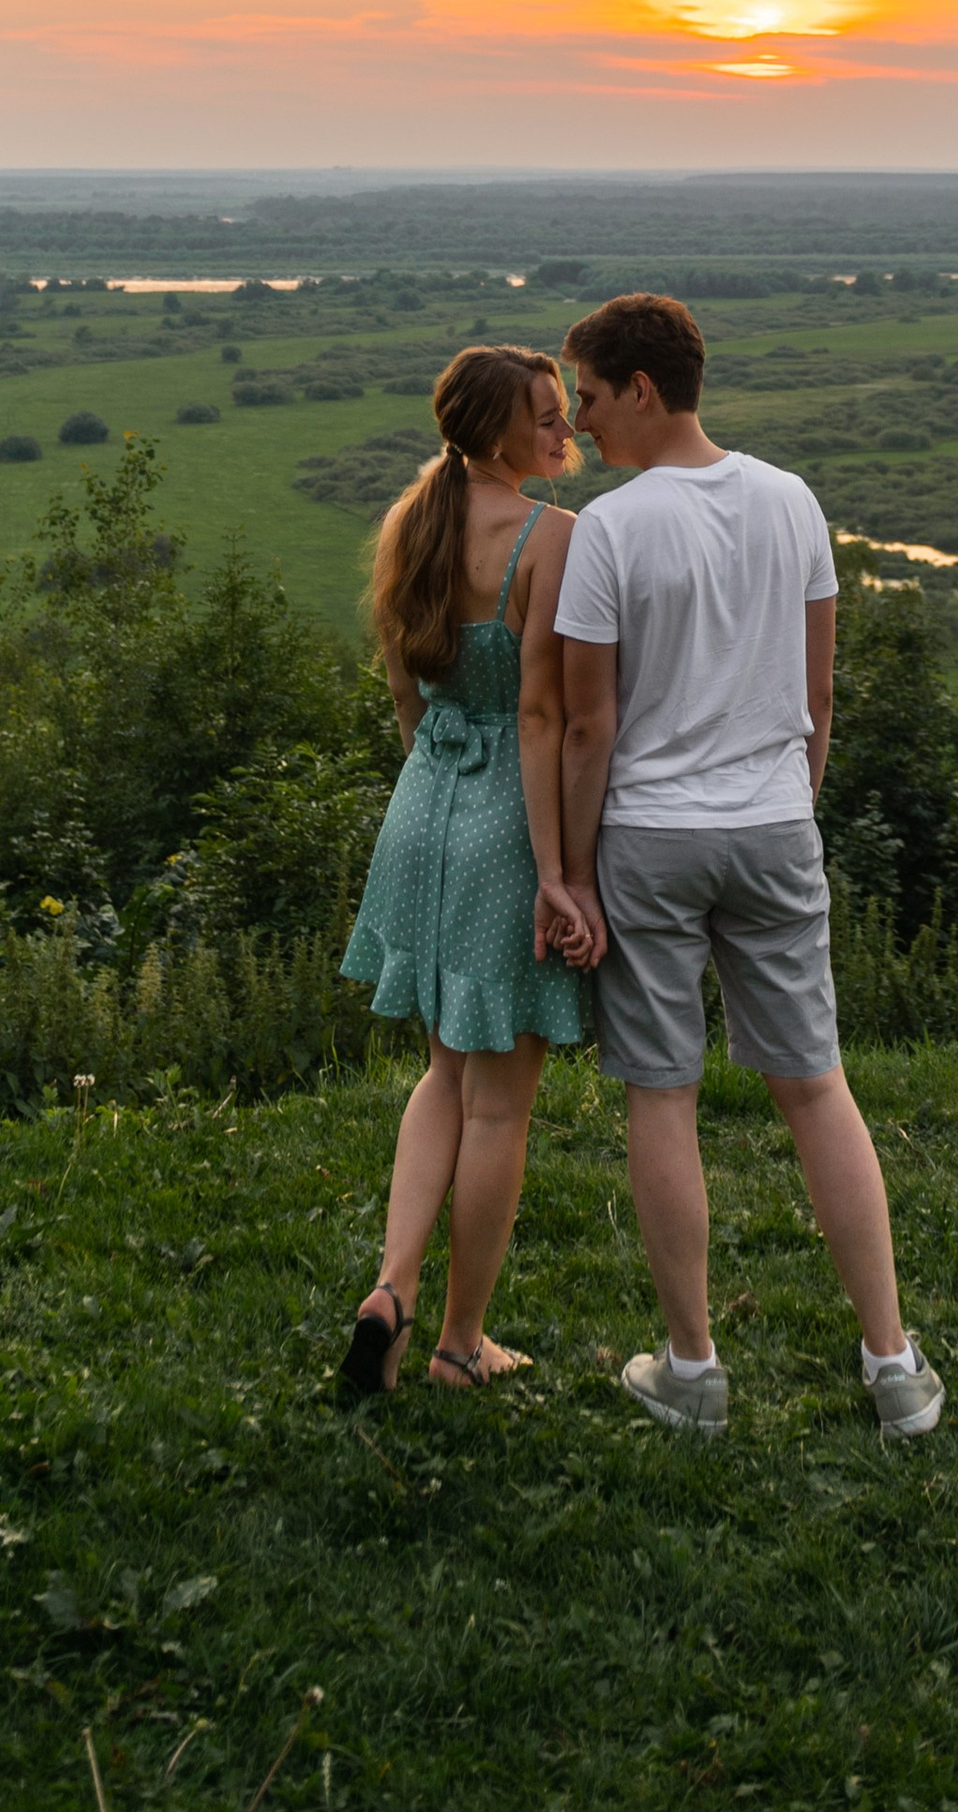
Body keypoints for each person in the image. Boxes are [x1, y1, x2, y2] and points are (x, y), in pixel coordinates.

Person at [552, 291, 944, 1441]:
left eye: (586, 397)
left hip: (650, 839)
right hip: (775, 825)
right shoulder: (792, 501)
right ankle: (893, 1368)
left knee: (660, 1093)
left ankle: (692, 1372)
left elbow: (586, 729)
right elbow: (816, 697)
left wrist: (569, 873)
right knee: (815, 1086)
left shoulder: (612, 530)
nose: (578, 425)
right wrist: (790, 805)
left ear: (639, 388)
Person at [335, 344, 601, 1398]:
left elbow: (402, 685)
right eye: (542, 418)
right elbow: (544, 715)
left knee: (442, 1072)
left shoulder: (413, 520)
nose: (560, 431)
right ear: (496, 433)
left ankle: (389, 1291)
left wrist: (431, 772)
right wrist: (557, 872)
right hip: (505, 821)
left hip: (423, 804)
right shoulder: (552, 537)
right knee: (498, 1103)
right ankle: (457, 1342)